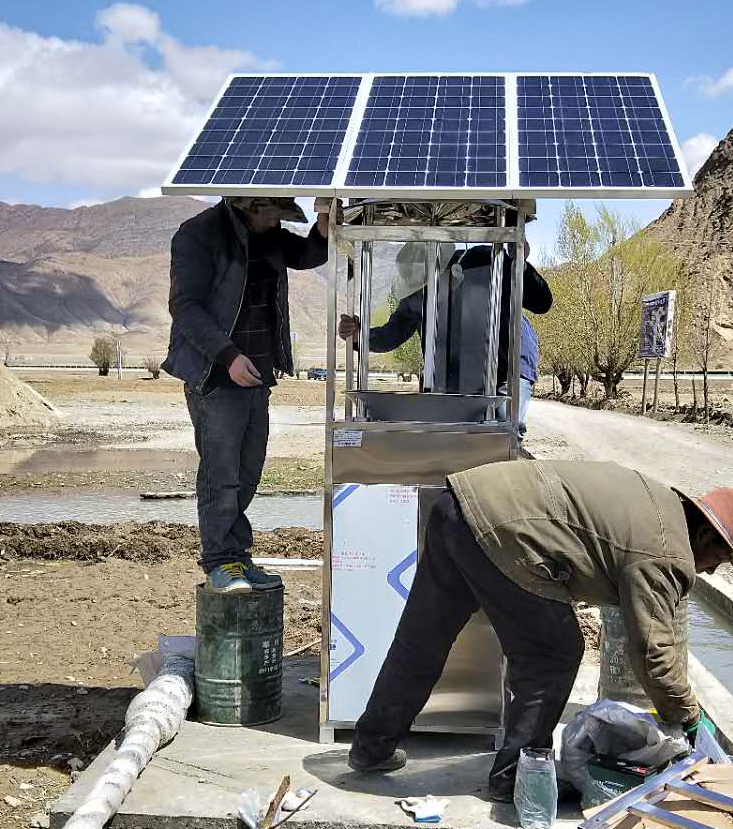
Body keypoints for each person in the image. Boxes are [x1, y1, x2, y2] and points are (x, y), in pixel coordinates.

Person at [347, 460, 733, 800]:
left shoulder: (659, 505)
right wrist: (688, 718)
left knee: (422, 639)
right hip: (505, 531)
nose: (708, 570)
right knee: (554, 655)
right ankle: (515, 777)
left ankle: (371, 747)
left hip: (459, 505)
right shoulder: (665, 551)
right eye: (719, 559)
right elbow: (653, 654)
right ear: (707, 532)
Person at [163, 196, 332, 594]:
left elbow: (307, 254)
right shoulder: (199, 234)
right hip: (217, 374)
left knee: (249, 471)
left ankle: (237, 556)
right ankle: (220, 562)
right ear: (248, 208)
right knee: (221, 473)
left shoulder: (268, 233)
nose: (278, 222)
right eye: (272, 214)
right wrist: (228, 357)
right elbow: (184, 307)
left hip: (257, 373)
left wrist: (323, 224)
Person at [338, 238, 552, 395]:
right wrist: (359, 336)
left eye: (428, 286)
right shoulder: (417, 298)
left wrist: (519, 264)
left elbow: (541, 302)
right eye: (420, 290)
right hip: (457, 373)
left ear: (451, 271)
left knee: (505, 426)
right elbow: (391, 334)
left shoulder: (486, 262)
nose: (425, 295)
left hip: (508, 365)